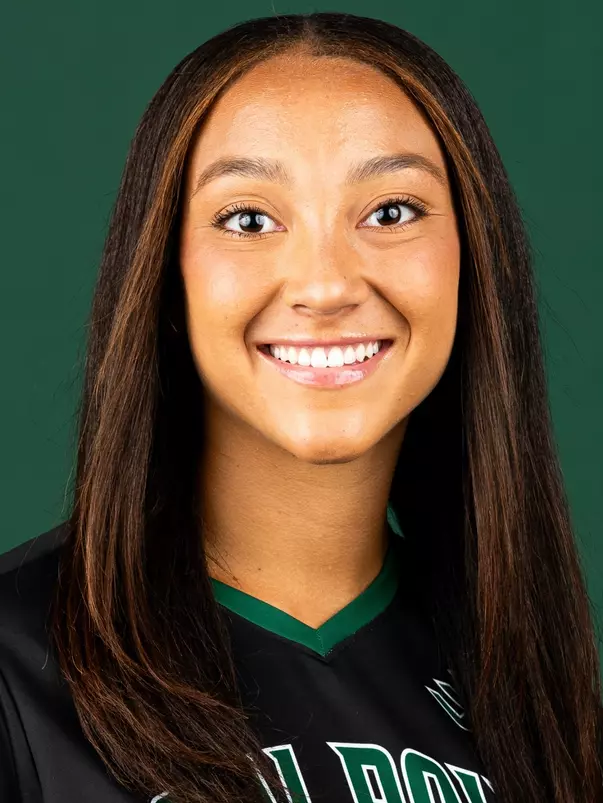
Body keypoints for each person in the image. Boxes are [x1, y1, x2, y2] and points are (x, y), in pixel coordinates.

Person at [0, 10, 601, 803]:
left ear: (472, 257)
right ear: (166, 273)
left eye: (391, 212)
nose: (325, 286)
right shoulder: (15, 662)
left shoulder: (532, 692)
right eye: (248, 219)